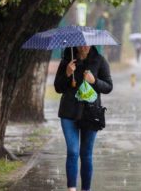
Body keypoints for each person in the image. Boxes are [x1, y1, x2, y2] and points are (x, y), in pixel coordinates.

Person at [54, 45, 113, 191]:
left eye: (87, 43)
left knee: (86, 154)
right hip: (69, 113)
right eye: (81, 44)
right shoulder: (67, 61)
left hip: (91, 114)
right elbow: (57, 87)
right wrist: (67, 74)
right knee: (73, 152)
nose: (84, 47)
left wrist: (94, 81)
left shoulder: (99, 61)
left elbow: (108, 87)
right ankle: (71, 188)